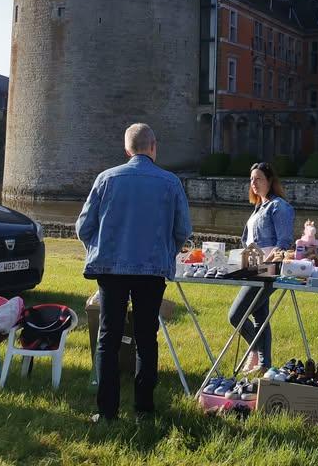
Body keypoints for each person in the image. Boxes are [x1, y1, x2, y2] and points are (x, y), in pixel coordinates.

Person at [76, 123, 192, 423]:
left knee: (108, 337)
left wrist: (99, 248)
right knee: (145, 337)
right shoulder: (170, 182)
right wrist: (168, 250)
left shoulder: (106, 178)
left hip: (112, 267)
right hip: (152, 269)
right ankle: (143, 410)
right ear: (154, 147)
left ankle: (107, 412)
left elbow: (83, 226)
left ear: (127, 149)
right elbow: (183, 229)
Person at [229, 161, 295, 372]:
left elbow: (284, 242)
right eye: (251, 179)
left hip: (267, 270)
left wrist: (267, 265)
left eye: (258, 179)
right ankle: (264, 366)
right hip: (252, 267)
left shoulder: (278, 206)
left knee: (236, 315)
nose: (253, 183)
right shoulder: (259, 207)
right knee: (259, 316)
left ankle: (254, 352)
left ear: (270, 181)